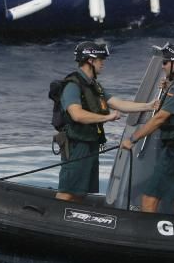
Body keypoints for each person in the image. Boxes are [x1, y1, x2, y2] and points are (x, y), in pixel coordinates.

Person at [56, 41, 156, 202]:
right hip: (77, 145)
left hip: (91, 144)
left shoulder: (95, 86)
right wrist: (107, 117)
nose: (103, 63)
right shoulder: (73, 85)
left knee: (81, 191)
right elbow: (77, 114)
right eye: (100, 59)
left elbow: (119, 103)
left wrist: (148, 106)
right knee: (68, 190)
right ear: (90, 60)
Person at [120, 43, 174, 215]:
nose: (163, 66)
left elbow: (159, 118)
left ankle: (145, 239)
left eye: (166, 62)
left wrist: (132, 139)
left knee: (149, 198)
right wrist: (169, 90)